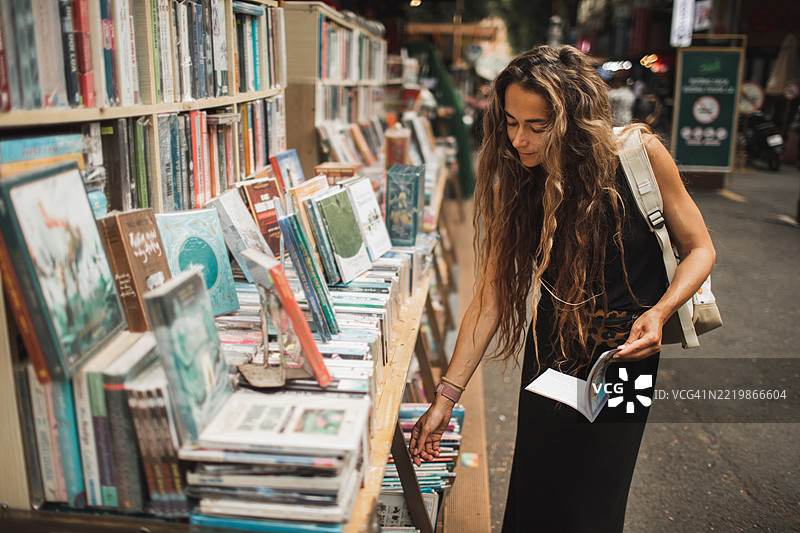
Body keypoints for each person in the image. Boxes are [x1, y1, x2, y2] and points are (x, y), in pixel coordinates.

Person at [408, 45, 716, 533]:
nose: (519, 140)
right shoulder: (517, 178)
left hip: (625, 359)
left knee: (594, 505)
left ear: (574, 118)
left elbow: (700, 249)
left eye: (538, 126)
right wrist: (445, 398)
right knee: (535, 497)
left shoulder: (639, 155)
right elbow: (490, 297)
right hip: (549, 353)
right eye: (510, 122)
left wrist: (658, 313)